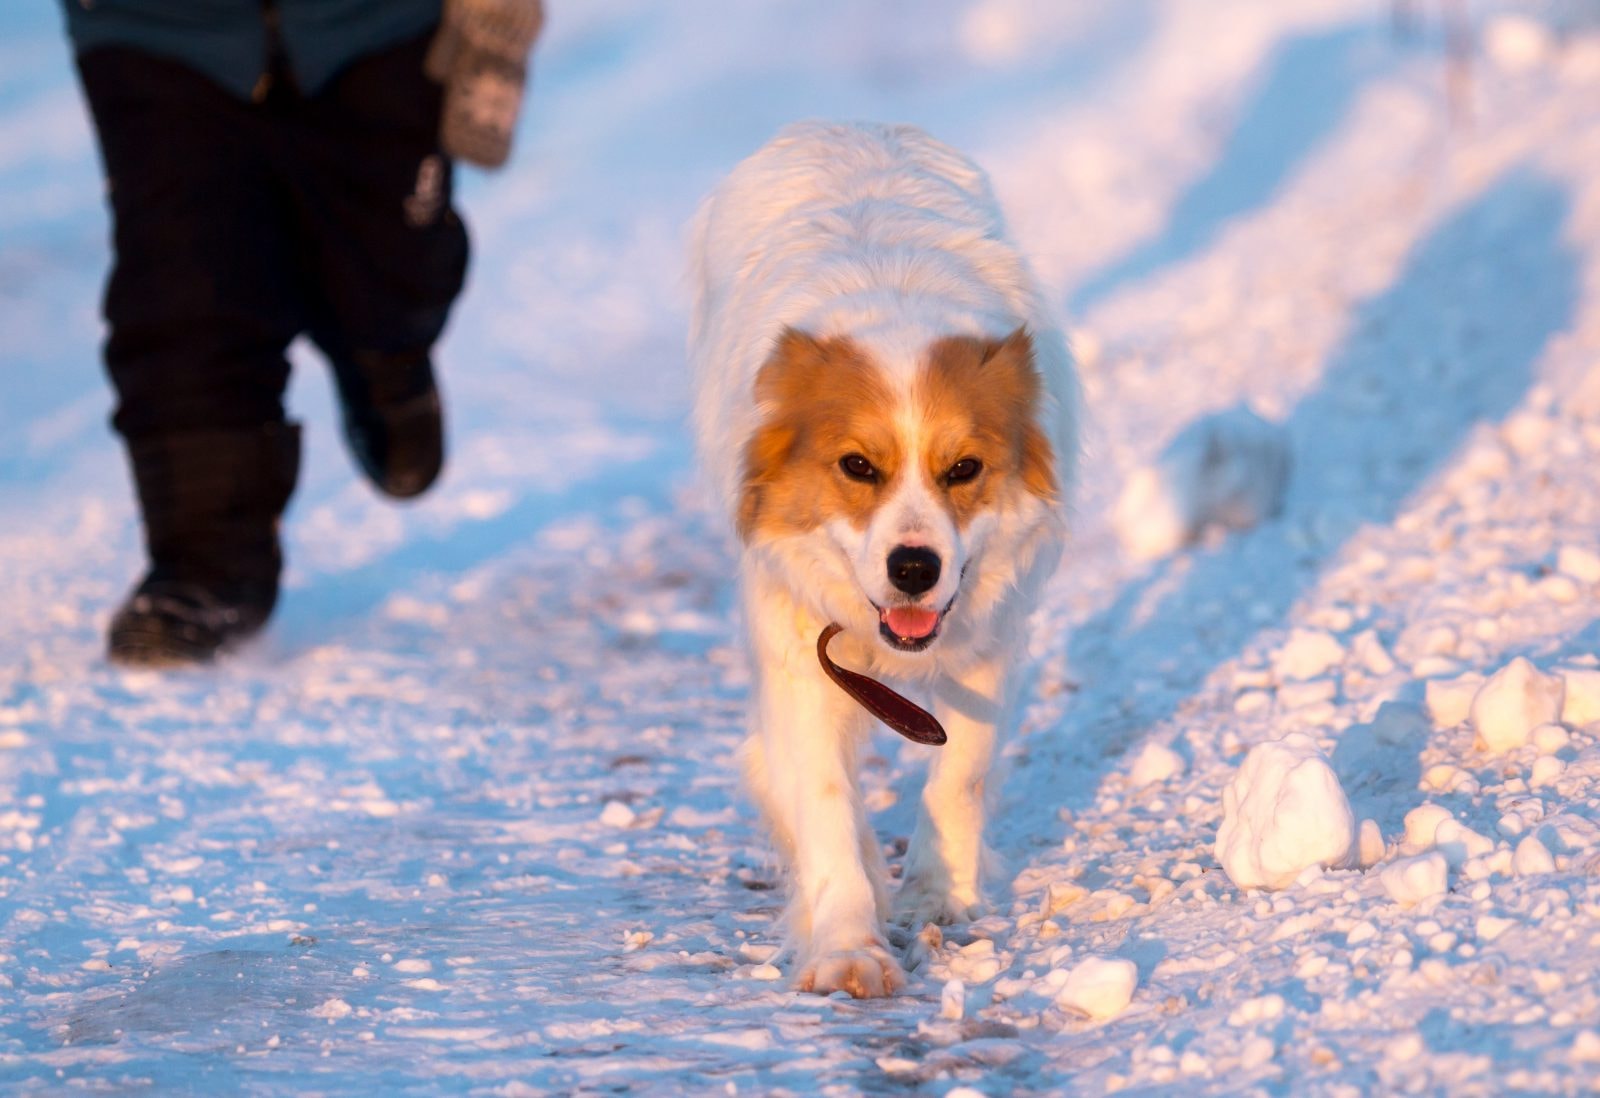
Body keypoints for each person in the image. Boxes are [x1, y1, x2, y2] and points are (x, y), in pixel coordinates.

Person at [59, 0, 544, 666]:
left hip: (376, 25)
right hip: (157, 31)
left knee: (391, 259)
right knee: (183, 285)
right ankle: (205, 567)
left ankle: (385, 351)